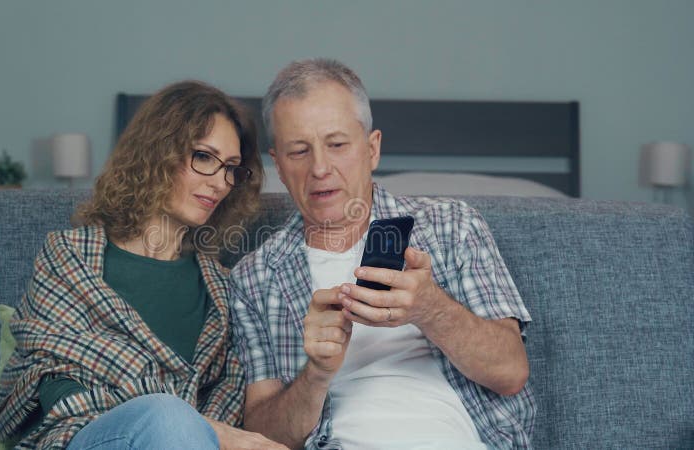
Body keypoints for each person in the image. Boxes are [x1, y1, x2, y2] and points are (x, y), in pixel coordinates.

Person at [229, 59, 536, 449]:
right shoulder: (254, 278)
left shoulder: (452, 226)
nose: (320, 168)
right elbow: (263, 438)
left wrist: (430, 308)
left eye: (337, 144)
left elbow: (511, 372)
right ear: (279, 165)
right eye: (299, 151)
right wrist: (317, 374)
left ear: (372, 149)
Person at [0, 81, 286, 449]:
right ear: (157, 152)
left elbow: (226, 398)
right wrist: (201, 425)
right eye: (204, 157)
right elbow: (57, 389)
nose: (219, 182)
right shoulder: (70, 258)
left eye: (230, 168)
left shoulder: (223, 290)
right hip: (85, 439)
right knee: (169, 416)